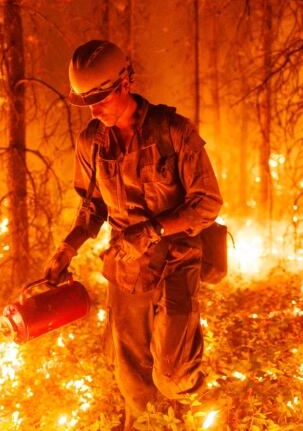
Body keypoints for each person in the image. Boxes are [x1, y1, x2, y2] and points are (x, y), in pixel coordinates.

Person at [44, 39, 222, 429]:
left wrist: (153, 230)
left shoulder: (174, 132)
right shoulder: (91, 142)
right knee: (132, 381)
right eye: (87, 101)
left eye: (102, 97)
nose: (95, 109)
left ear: (125, 83)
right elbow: (92, 206)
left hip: (176, 262)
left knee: (173, 376)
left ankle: (200, 399)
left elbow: (208, 203)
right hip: (127, 271)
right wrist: (67, 247)